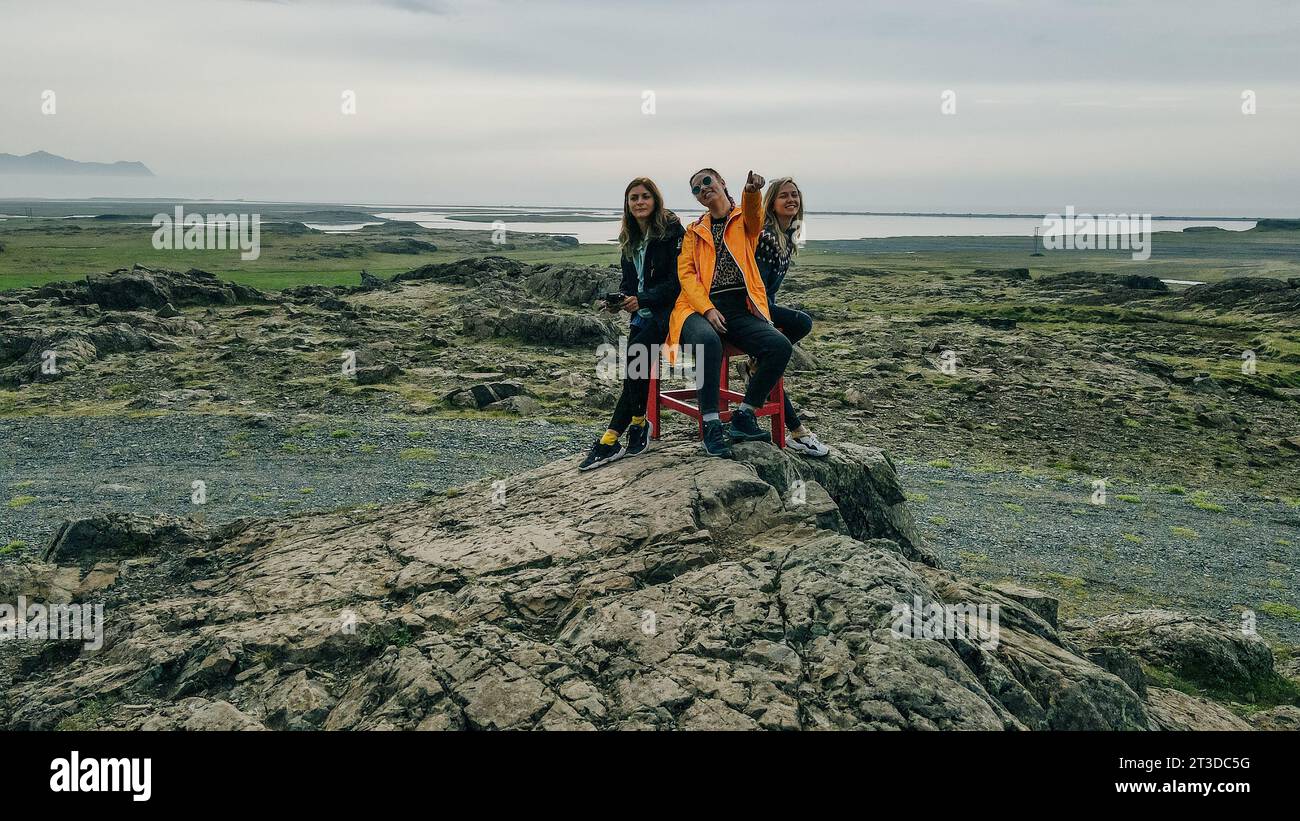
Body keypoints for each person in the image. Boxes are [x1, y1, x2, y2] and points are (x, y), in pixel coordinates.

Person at [664, 168, 792, 458]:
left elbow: (755, 216)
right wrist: (707, 309)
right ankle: (710, 424)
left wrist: (751, 192)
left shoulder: (744, 222)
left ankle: (745, 416)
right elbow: (687, 276)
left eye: (706, 182)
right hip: (694, 309)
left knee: (779, 347)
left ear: (722, 182)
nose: (703, 189)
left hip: (737, 310)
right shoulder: (694, 233)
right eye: (696, 189)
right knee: (708, 341)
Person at [578, 177, 684, 471]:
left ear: (655, 200)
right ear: (628, 204)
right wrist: (619, 301)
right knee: (634, 367)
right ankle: (635, 425)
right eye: (633, 197)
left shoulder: (671, 231)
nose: (639, 202)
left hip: (671, 311)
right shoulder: (630, 237)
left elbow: (678, 281)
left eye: (645, 197)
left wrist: (644, 299)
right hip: (643, 314)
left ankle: (610, 440)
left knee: (635, 356)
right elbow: (628, 282)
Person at [756, 177, 829, 456]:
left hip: (764, 307)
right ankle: (798, 432)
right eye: (784, 195)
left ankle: (798, 431)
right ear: (771, 203)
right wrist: (769, 327)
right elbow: (756, 291)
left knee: (769, 363)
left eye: (795, 195)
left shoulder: (786, 236)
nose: (791, 200)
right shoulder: (766, 237)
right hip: (751, 309)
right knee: (801, 323)